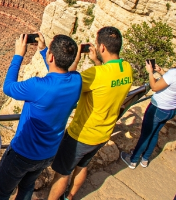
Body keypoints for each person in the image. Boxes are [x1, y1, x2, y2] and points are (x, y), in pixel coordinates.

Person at [0, 34, 81, 200]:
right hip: (48, 154)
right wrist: (43, 50)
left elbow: (8, 87)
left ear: (51, 57)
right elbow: (58, 74)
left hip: (21, 153)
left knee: (1, 193)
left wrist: (18, 54)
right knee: (26, 188)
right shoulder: (76, 81)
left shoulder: (37, 86)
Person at [48, 27, 132, 200]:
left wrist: (77, 56)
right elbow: (108, 81)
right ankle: (69, 197)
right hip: (103, 134)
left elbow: (67, 82)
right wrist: (97, 62)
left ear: (101, 48)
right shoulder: (127, 69)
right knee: (82, 166)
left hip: (81, 135)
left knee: (63, 173)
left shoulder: (95, 74)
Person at [122, 60, 176, 169]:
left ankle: (133, 160)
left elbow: (155, 87)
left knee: (146, 134)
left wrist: (150, 72)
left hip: (157, 108)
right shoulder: (172, 74)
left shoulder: (173, 73)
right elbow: (171, 82)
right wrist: (161, 71)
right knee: (155, 133)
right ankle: (145, 159)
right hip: (170, 110)